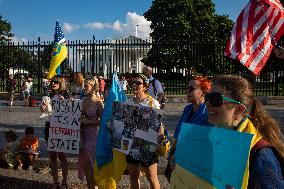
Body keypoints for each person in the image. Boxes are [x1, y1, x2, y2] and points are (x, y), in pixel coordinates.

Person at [206, 75, 284, 189]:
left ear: (239, 109)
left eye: (216, 99)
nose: (207, 104)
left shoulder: (261, 155)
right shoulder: (210, 140)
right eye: (207, 97)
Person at [164, 75, 212, 181]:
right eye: (187, 88)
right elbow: (178, 133)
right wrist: (173, 152)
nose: (187, 91)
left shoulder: (209, 113)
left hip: (196, 160)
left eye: (191, 89)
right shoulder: (187, 109)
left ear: (203, 91)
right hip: (180, 155)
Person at [126, 74, 169, 189]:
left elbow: (159, 124)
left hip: (148, 145)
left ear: (145, 86)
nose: (135, 85)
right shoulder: (128, 102)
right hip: (132, 145)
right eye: (133, 83)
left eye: (138, 83)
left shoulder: (153, 102)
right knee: (133, 177)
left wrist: (160, 136)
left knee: (152, 177)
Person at [40, 76, 70, 189]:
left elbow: (71, 111)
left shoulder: (65, 95)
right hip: (50, 125)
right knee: (52, 155)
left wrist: (65, 102)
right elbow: (42, 111)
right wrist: (42, 107)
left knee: (62, 155)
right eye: (52, 82)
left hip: (61, 126)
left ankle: (65, 180)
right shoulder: (48, 95)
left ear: (60, 83)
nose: (53, 83)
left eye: (56, 82)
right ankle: (55, 181)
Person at [78, 78, 103, 189]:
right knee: (86, 164)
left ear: (93, 87)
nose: (84, 87)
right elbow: (80, 115)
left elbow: (103, 121)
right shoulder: (84, 100)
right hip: (83, 134)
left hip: (94, 135)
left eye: (87, 85)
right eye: (84, 85)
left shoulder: (98, 102)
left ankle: (95, 186)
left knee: (92, 163)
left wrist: (88, 121)